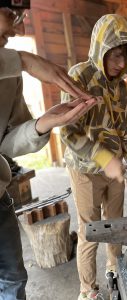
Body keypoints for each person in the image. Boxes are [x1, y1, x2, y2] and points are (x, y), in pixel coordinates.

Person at [0, 3, 97, 300]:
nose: (20, 29)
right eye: (12, 14)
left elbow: (6, 142)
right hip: (85, 172)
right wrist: (23, 60)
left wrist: (42, 124)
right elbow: (80, 141)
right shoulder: (16, 64)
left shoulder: (11, 75)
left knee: (14, 278)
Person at [60, 14, 127, 300]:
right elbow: (68, 133)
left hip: (115, 169)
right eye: (116, 54)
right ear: (101, 47)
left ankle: (114, 270)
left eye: (126, 57)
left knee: (115, 225)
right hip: (85, 170)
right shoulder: (79, 76)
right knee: (90, 231)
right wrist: (103, 157)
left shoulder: (121, 86)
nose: (121, 64)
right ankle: (88, 290)